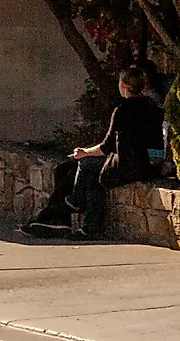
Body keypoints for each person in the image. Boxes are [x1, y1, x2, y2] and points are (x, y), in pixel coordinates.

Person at [28, 66, 163, 240]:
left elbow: (107, 147)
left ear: (122, 85)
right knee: (94, 177)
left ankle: (74, 202)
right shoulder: (153, 107)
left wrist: (84, 152)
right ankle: (90, 228)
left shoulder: (123, 109)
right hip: (153, 165)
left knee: (85, 164)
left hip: (132, 165)